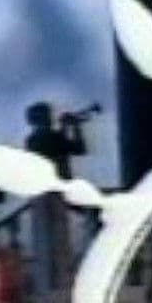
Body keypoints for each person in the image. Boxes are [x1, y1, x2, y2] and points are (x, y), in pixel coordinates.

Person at [25, 102, 88, 292]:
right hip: (57, 193)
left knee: (51, 243)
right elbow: (79, 148)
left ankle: (55, 282)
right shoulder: (49, 137)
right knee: (59, 240)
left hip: (48, 194)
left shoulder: (33, 140)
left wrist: (66, 128)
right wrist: (74, 127)